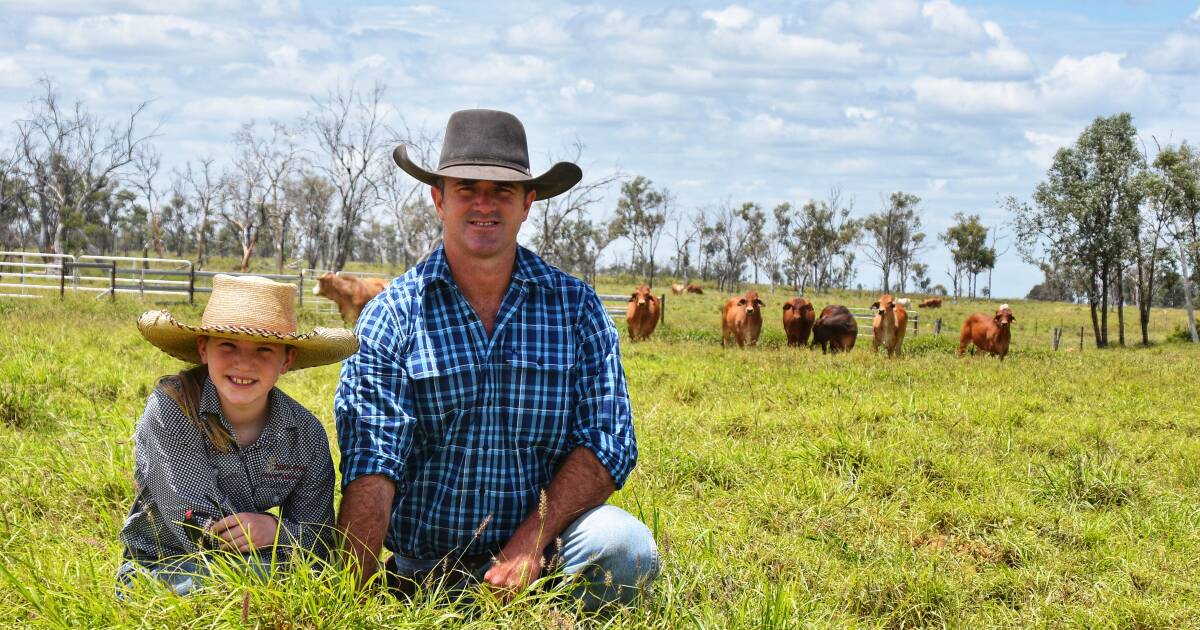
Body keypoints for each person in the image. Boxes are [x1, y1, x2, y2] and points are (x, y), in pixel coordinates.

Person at [334, 109, 659, 609]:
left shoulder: (575, 309)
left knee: (624, 549)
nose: (484, 204)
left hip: (544, 554)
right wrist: (350, 597)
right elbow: (372, 461)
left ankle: (559, 612)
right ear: (438, 198)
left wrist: (528, 545)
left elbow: (607, 440)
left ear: (528, 203)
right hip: (424, 567)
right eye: (466, 188)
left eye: (502, 191)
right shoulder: (392, 316)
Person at [117, 274, 358, 596]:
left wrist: (276, 531)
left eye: (264, 349)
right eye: (227, 344)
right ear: (204, 350)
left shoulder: (305, 433)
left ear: (287, 360)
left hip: (266, 561)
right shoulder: (173, 406)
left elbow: (317, 536)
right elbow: (198, 525)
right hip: (165, 563)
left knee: (317, 577)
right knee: (298, 585)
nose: (244, 363)